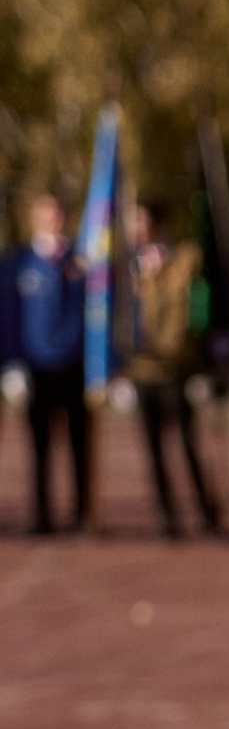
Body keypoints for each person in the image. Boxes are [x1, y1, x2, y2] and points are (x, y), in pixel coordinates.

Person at [126, 199, 221, 535]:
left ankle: (207, 512)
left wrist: (205, 364)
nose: (136, 229)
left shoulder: (185, 259)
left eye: (141, 221)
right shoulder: (125, 265)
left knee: (186, 444)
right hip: (140, 370)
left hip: (177, 369)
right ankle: (168, 516)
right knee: (152, 450)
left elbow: (200, 311)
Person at [11, 193, 91, 532]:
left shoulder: (85, 262)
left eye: (57, 213)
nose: (52, 219)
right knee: (40, 449)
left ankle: (83, 515)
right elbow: (8, 316)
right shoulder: (18, 263)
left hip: (76, 367)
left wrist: (107, 366)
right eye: (45, 213)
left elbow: (100, 315)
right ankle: (42, 516)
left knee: (79, 447)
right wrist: (11, 365)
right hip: (36, 367)